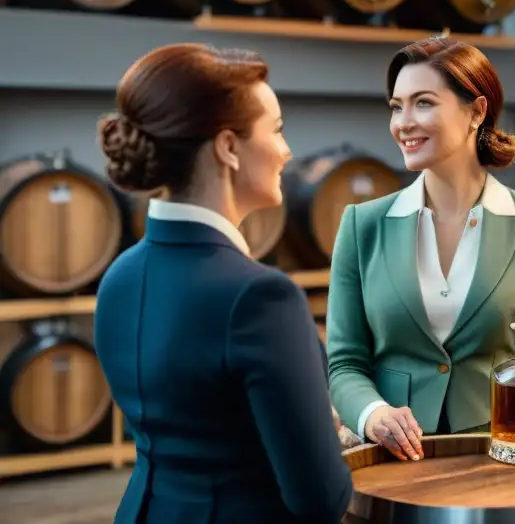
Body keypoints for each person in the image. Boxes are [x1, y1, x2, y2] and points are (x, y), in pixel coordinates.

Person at [93, 43, 353, 523]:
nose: (286, 150)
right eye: (275, 130)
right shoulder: (260, 298)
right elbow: (320, 498)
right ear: (229, 148)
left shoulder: (118, 278)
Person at [325, 36, 515, 461]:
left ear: (476, 111)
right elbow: (344, 364)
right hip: (391, 459)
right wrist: (373, 413)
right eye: (397, 107)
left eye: (423, 103)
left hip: (504, 454)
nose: (403, 122)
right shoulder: (362, 227)